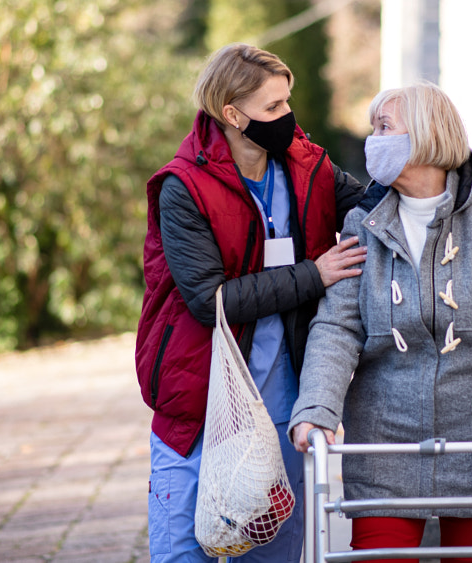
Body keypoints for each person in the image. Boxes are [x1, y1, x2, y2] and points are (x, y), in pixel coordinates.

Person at [289, 81, 472, 563]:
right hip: (384, 446)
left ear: (424, 135)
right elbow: (338, 329)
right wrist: (316, 409)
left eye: (385, 127)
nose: (372, 140)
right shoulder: (364, 225)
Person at [135, 43, 367, 562]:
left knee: (273, 551)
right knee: (181, 551)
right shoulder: (183, 188)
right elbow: (209, 299)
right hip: (198, 402)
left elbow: (372, 209)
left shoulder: (309, 168)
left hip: (282, 401)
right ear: (232, 115)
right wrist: (315, 274)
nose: (288, 118)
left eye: (287, 102)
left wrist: (437, 171)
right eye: (272, 108)